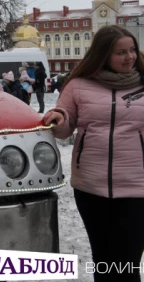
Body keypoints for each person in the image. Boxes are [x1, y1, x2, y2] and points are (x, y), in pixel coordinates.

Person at [42, 25, 144, 281]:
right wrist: (58, 118)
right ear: (103, 55)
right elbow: (66, 126)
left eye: (132, 50)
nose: (129, 57)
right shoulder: (78, 85)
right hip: (91, 187)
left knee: (127, 262)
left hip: (137, 187)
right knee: (104, 259)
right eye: (121, 52)